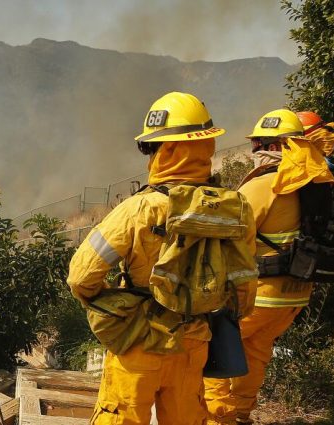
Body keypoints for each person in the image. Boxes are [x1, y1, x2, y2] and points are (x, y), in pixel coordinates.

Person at [67, 92, 256, 425]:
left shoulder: (138, 210)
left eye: (150, 148)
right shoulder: (235, 209)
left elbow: (81, 278)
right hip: (196, 344)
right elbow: (244, 288)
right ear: (207, 146)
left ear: (164, 150)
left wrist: (116, 308)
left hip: (141, 342)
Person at [203, 109, 334, 424]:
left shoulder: (264, 184)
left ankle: (217, 418)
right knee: (256, 353)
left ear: (276, 146)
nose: (254, 152)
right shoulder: (314, 180)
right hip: (293, 295)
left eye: (259, 143)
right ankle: (241, 414)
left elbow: (227, 236)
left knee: (213, 350)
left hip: (258, 293)